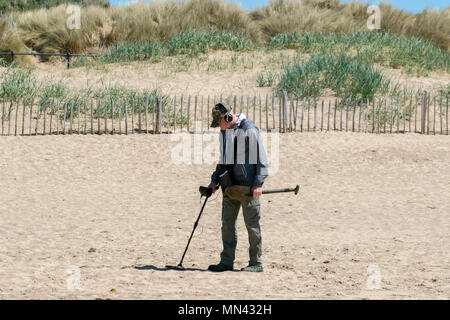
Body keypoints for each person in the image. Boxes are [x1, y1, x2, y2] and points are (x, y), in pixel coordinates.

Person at [207, 103, 268, 272]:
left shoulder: (249, 129)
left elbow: (262, 159)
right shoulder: (224, 132)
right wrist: (214, 182)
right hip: (229, 186)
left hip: (248, 186)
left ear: (227, 118)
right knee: (227, 224)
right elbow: (223, 160)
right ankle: (226, 262)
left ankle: (256, 263)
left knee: (252, 225)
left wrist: (258, 184)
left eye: (219, 123)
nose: (219, 127)